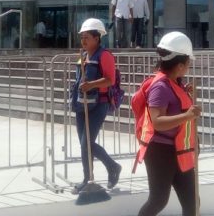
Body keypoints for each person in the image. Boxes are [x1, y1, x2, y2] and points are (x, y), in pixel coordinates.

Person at [137, 31, 201, 216]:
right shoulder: (160, 87)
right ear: (180, 65)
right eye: (189, 62)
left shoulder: (175, 82)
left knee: (192, 203)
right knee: (158, 201)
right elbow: (157, 122)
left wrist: (183, 92)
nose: (189, 66)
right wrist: (187, 115)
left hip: (180, 151)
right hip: (160, 153)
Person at [70, 18, 123, 194]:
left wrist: (91, 85)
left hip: (98, 104)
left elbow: (110, 79)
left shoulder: (105, 55)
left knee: (87, 143)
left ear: (97, 38)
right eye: (82, 37)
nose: (84, 41)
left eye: (87, 37)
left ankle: (93, 176)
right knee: (85, 144)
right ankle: (104, 170)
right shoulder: (83, 56)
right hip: (81, 103)